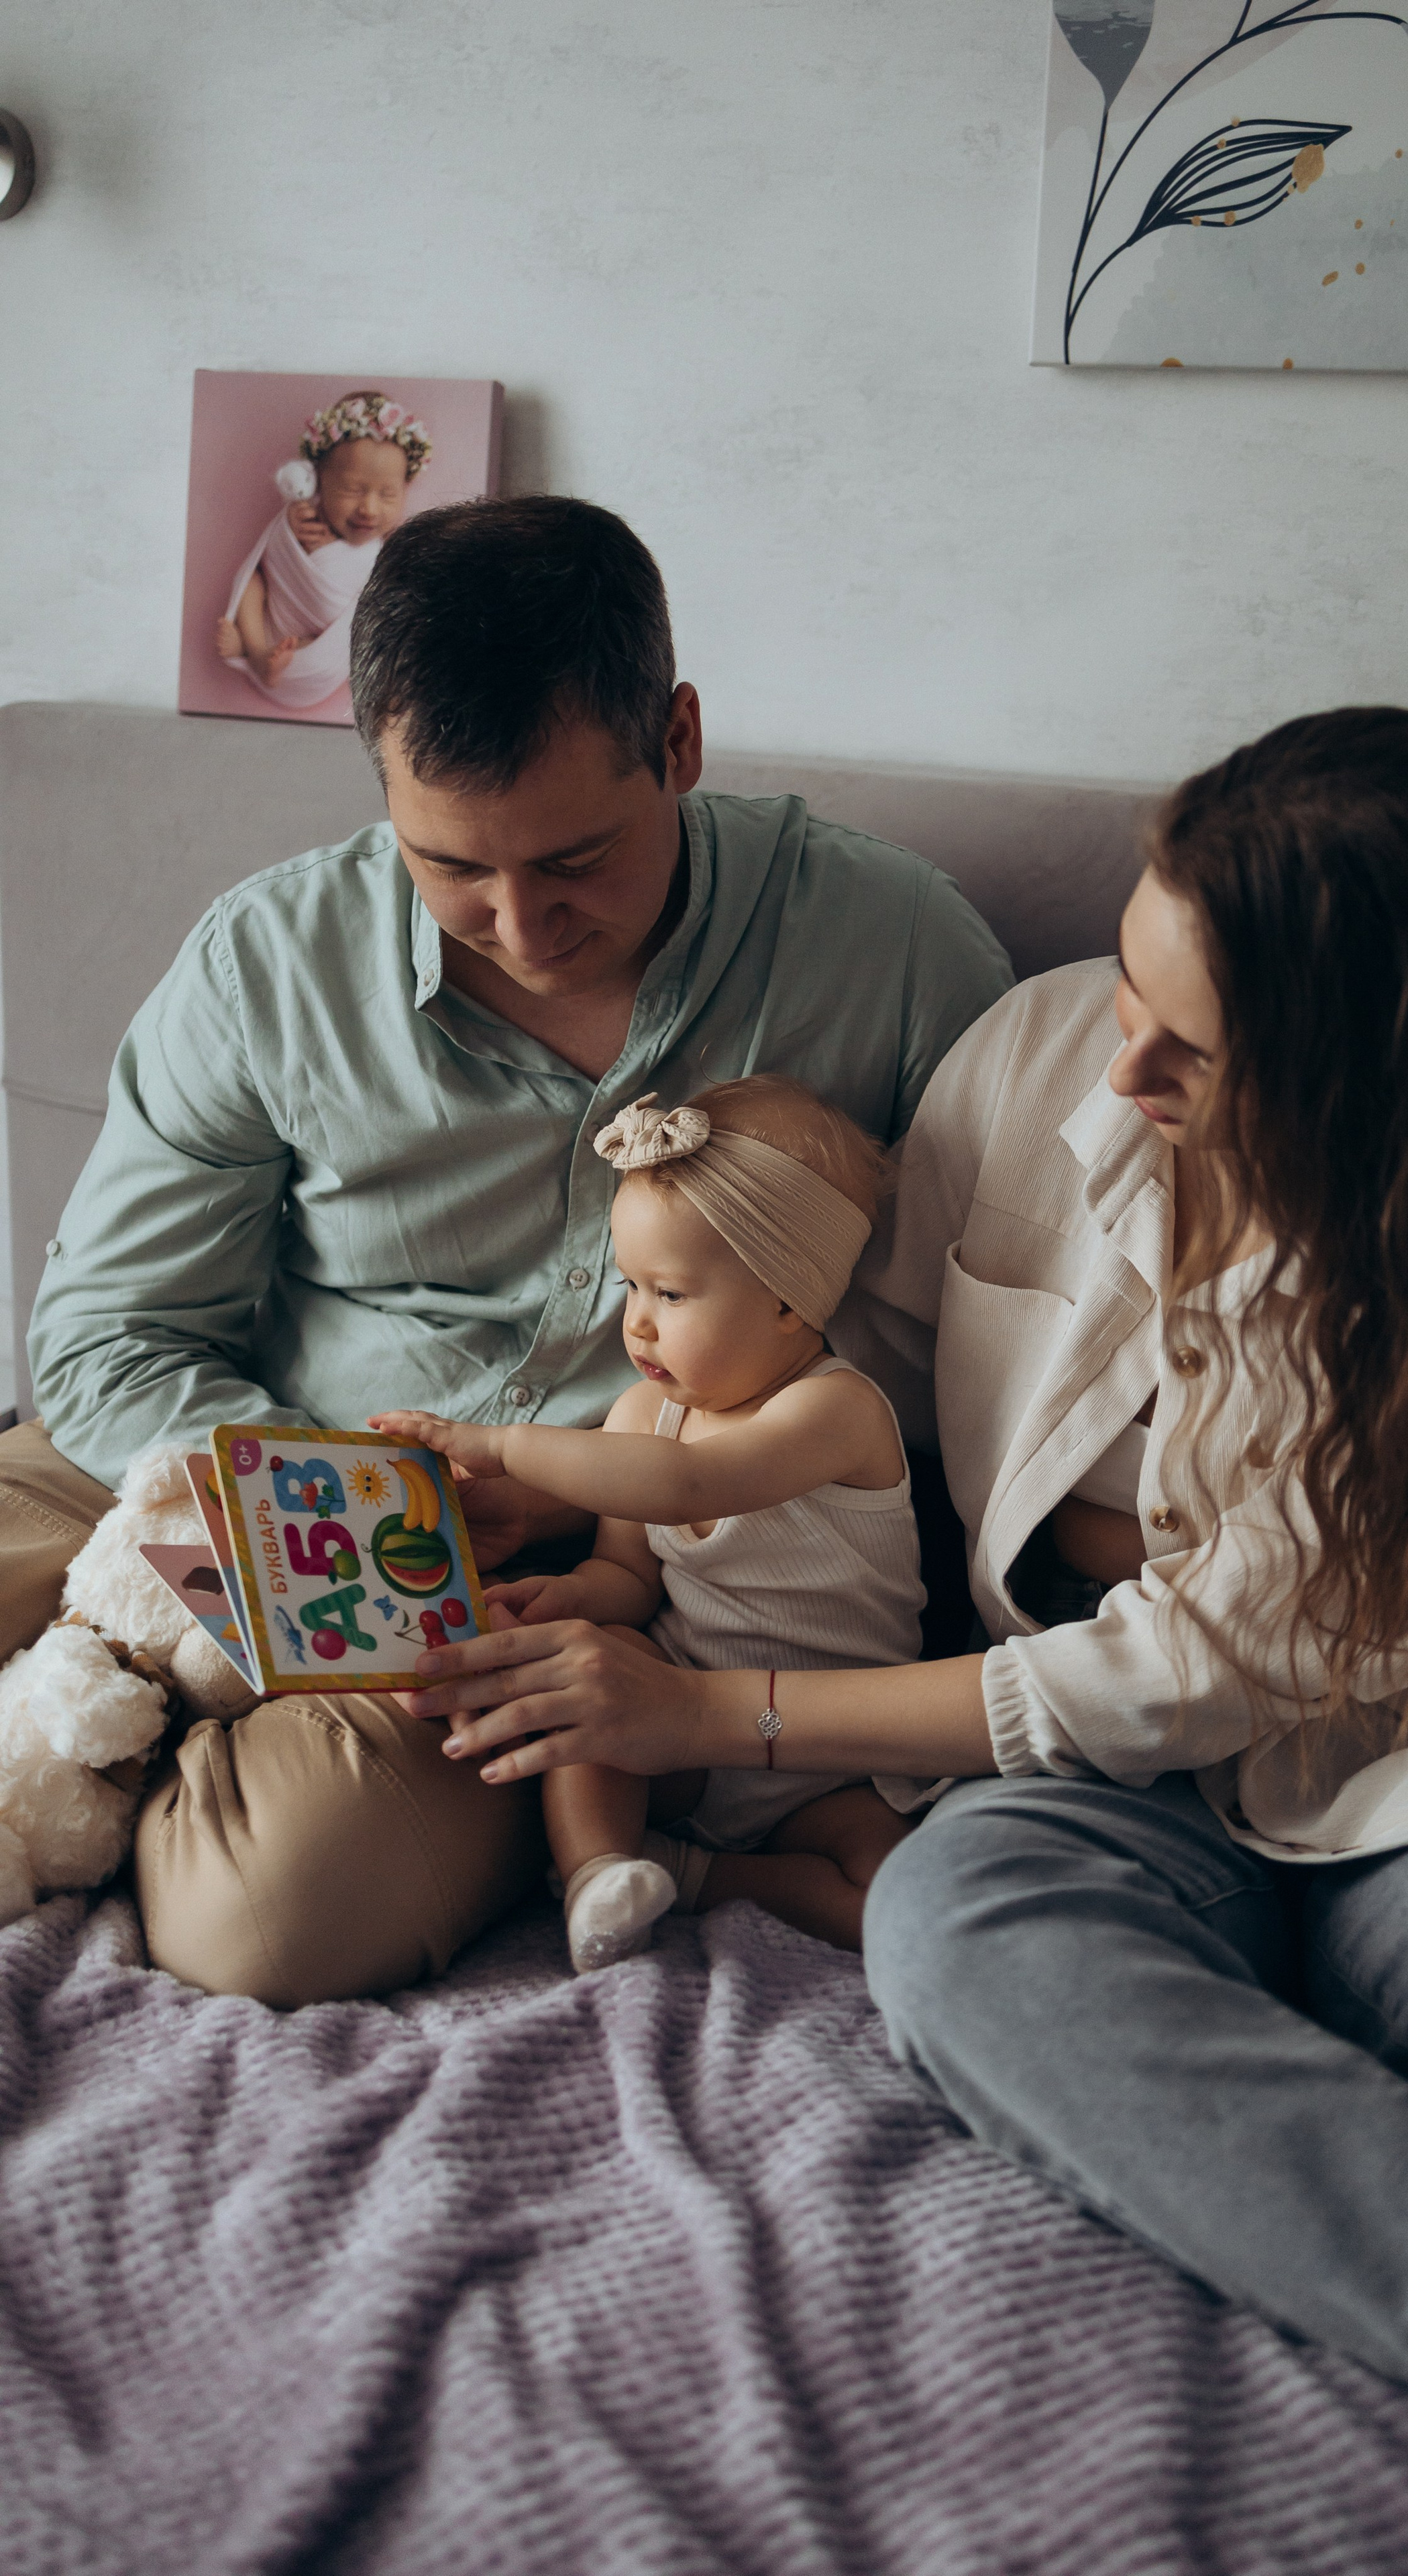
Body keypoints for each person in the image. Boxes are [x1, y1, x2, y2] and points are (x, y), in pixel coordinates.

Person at [408, 708, 1408, 2576]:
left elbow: (1197, 1668)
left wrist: (720, 1707)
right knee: (954, 1937)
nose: (1126, 1061)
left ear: (1375, 1082)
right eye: (1131, 981)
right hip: (1085, 1782)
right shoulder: (1035, 1065)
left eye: (1197, 1047)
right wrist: (586, 1515)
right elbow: (820, 1378)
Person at [13, 494, 1012, 2006]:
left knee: (263, 1920)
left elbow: (979, 1378)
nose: (518, 925)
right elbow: (104, 1343)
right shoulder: (270, 961)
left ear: (677, 741)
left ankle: (139, 1724)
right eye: (447, 869)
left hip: (566, 1585)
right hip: (212, 1456)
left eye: (573, 861)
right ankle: (134, 1692)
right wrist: (334, 1495)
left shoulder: (895, 955)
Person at [372, 1075, 930, 1973]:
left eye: (670, 1295)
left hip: (830, 1755)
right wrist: (558, 1600)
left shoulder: (836, 1415)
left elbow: (685, 1486)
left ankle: (696, 1874)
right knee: (586, 1718)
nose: (636, 1323)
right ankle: (596, 1873)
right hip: (672, 1723)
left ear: (791, 1302)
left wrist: (505, 1446)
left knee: (895, 1892)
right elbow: (630, 1576)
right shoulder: (643, 1415)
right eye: (632, 1285)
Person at [215, 389, 430, 706]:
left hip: (320, 648)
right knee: (251, 580)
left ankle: (260, 654)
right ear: (319, 481)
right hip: (273, 627)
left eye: (388, 495)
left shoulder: (390, 545)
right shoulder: (308, 518)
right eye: (352, 489)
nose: (369, 509)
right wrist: (290, 526)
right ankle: (256, 648)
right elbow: (272, 556)